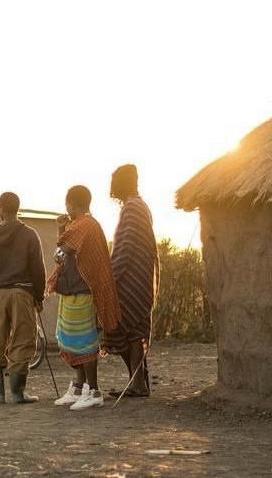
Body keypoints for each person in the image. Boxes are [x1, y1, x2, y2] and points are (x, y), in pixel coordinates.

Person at [50, 185, 121, 411]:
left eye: (67, 203)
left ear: (72, 203)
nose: (66, 207)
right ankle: (79, 387)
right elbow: (63, 255)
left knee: (84, 341)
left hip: (83, 290)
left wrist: (61, 230)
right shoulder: (79, 225)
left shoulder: (83, 225)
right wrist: (63, 228)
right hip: (72, 290)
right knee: (71, 340)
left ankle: (94, 390)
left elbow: (59, 254)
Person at [0, 191, 45, 404]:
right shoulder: (30, 234)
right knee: (23, 340)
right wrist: (39, 295)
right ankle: (17, 393)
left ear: (0, 208)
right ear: (18, 208)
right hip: (23, 293)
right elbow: (38, 269)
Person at [102, 164, 160, 397]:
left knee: (129, 329)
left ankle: (138, 384)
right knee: (129, 329)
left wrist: (112, 276)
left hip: (132, 277)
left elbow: (126, 246)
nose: (112, 186)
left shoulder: (134, 208)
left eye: (115, 181)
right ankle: (138, 382)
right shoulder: (135, 206)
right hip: (135, 276)